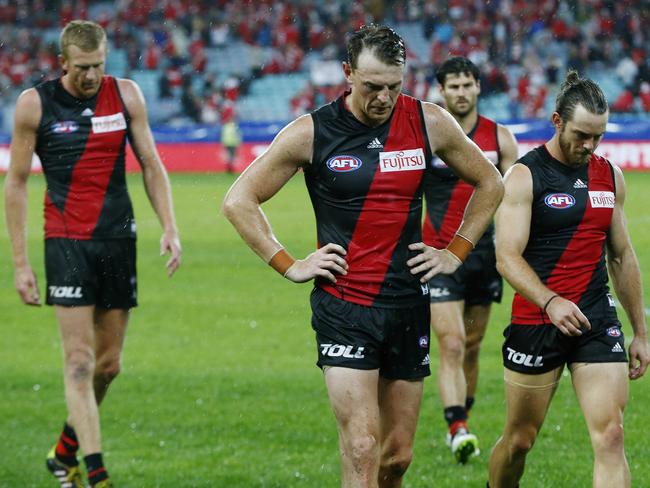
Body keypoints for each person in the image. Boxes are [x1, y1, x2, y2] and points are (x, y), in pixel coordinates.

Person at [222, 25, 503, 488]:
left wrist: (456, 249)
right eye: (372, 86)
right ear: (348, 73)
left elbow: (490, 182)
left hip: (408, 304)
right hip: (344, 305)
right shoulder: (312, 132)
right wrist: (289, 263)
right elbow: (239, 200)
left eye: (394, 86)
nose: (384, 98)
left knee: (396, 458)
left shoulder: (429, 121)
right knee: (361, 447)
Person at [4, 20, 182, 488]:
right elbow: (17, 183)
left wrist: (170, 226)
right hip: (65, 242)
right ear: (62, 63)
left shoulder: (124, 95)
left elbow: (150, 163)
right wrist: (20, 263)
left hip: (118, 240)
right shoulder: (33, 105)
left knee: (108, 366)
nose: (91, 76)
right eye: (82, 68)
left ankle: (64, 453)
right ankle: (96, 472)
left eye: (98, 66)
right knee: (79, 362)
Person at [488, 71, 649, 488]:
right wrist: (550, 301)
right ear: (557, 121)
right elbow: (506, 257)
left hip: (595, 316)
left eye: (598, 136)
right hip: (537, 321)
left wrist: (641, 332)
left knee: (611, 435)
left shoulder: (608, 175)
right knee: (519, 442)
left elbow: (622, 254)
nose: (590, 146)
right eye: (581, 135)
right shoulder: (524, 177)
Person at [422, 57, 518, 463]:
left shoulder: (500, 139)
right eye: (453, 86)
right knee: (452, 342)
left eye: (467, 85)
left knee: (474, 346)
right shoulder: (426, 137)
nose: (461, 93)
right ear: (441, 91)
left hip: (483, 254)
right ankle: (457, 427)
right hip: (438, 254)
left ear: (478, 87)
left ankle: (463, 419)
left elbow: (515, 202)